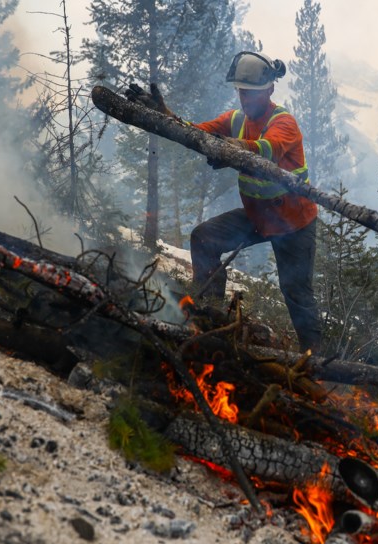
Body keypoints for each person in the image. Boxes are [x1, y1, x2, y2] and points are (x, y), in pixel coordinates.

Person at [126, 52, 322, 354]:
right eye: (242, 91)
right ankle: (208, 315)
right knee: (204, 238)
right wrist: (164, 115)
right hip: (259, 218)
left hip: (294, 224)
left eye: (252, 92)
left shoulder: (284, 122)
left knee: (296, 292)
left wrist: (228, 148)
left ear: (269, 90)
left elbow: (265, 150)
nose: (245, 98)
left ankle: (318, 363)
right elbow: (195, 133)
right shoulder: (235, 120)